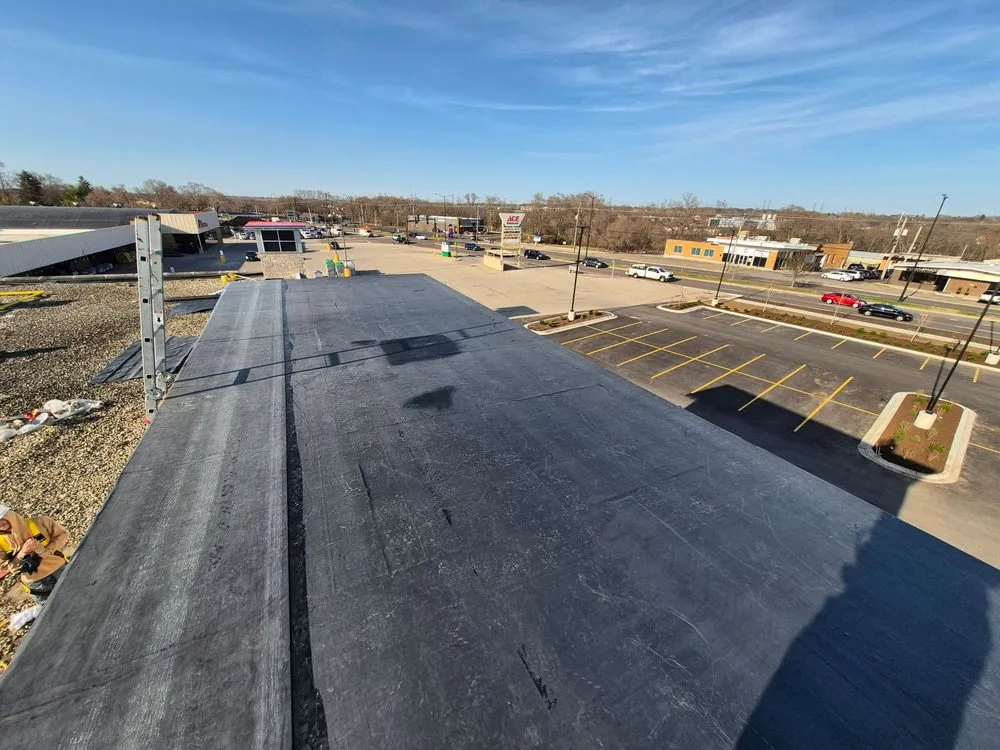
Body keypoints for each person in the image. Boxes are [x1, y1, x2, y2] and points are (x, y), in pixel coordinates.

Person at [0, 505, 74, 603]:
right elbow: (6, 567)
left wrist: (46, 551)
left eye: (1, 519)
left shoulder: (38, 522)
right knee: (53, 611)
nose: (1, 525)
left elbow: (62, 534)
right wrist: (22, 553)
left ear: (10, 515)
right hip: (37, 584)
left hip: (59, 569)